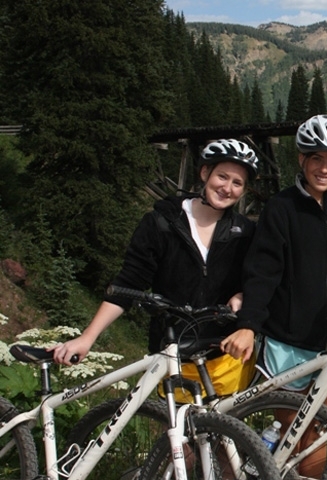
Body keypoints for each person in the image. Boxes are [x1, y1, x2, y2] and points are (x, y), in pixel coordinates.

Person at [220, 114, 327, 479]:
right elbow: (263, 272)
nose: (325, 168)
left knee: (317, 433)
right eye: (317, 158)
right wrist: (248, 326)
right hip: (287, 341)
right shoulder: (281, 207)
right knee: (296, 432)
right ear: (301, 160)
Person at [52, 139, 259, 397]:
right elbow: (129, 282)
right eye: (222, 176)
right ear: (205, 173)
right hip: (173, 354)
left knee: (228, 435)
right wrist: (87, 338)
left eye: (237, 183)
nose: (227, 188)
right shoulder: (161, 224)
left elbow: (258, 278)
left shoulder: (246, 232)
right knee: (178, 436)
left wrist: (242, 294)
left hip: (226, 356)